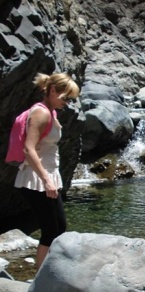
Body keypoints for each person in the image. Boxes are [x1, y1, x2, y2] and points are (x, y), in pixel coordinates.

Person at [14, 73, 80, 269]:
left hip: (47, 175)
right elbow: (28, 148)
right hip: (36, 178)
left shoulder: (50, 111)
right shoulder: (40, 113)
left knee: (58, 227)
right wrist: (46, 180)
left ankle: (46, 271)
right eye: (65, 98)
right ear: (52, 91)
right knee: (51, 229)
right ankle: (41, 276)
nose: (67, 103)